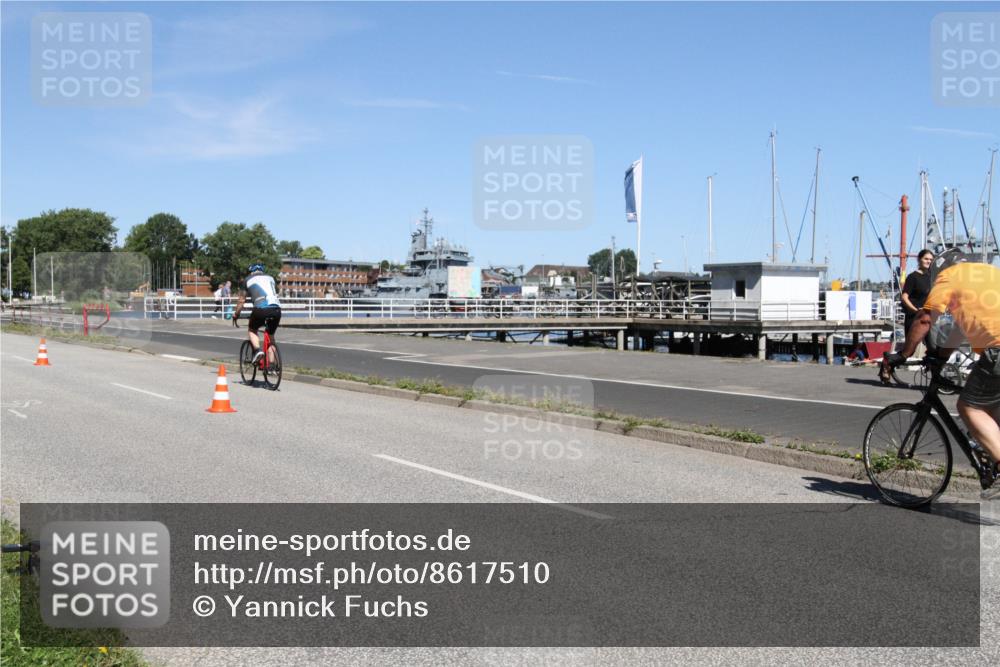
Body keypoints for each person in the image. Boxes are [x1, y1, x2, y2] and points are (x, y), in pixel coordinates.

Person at [883, 249, 1000, 499]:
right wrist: (943, 356)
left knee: (970, 407)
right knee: (991, 409)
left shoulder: (948, 277)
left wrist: (904, 353)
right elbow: (959, 328)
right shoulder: (988, 271)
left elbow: (925, 319)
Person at [232, 264, 282, 365]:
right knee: (271, 336)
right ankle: (271, 366)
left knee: (252, 330)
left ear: (251, 272)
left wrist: (236, 314)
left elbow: (241, 301)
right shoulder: (271, 278)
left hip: (261, 309)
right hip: (276, 309)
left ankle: (258, 351)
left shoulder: (247, 279)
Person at [900, 249, 934, 334]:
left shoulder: (931, 277)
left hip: (928, 318)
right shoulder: (912, 277)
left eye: (930, 259)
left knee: (932, 346)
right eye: (926, 259)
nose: (929, 261)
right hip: (914, 318)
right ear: (919, 259)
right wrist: (916, 311)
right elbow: (904, 297)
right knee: (913, 346)